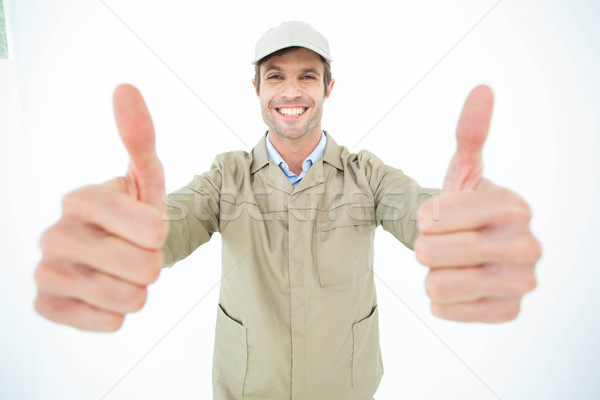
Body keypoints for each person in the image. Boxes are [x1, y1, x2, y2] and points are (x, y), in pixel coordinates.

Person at [34, 21, 541, 400]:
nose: (292, 91)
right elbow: (171, 224)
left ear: (327, 89)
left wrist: (458, 223)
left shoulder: (368, 175)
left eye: (307, 76)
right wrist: (128, 235)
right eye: (275, 76)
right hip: (247, 388)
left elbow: (420, 212)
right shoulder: (225, 177)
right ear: (256, 88)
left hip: (344, 387)